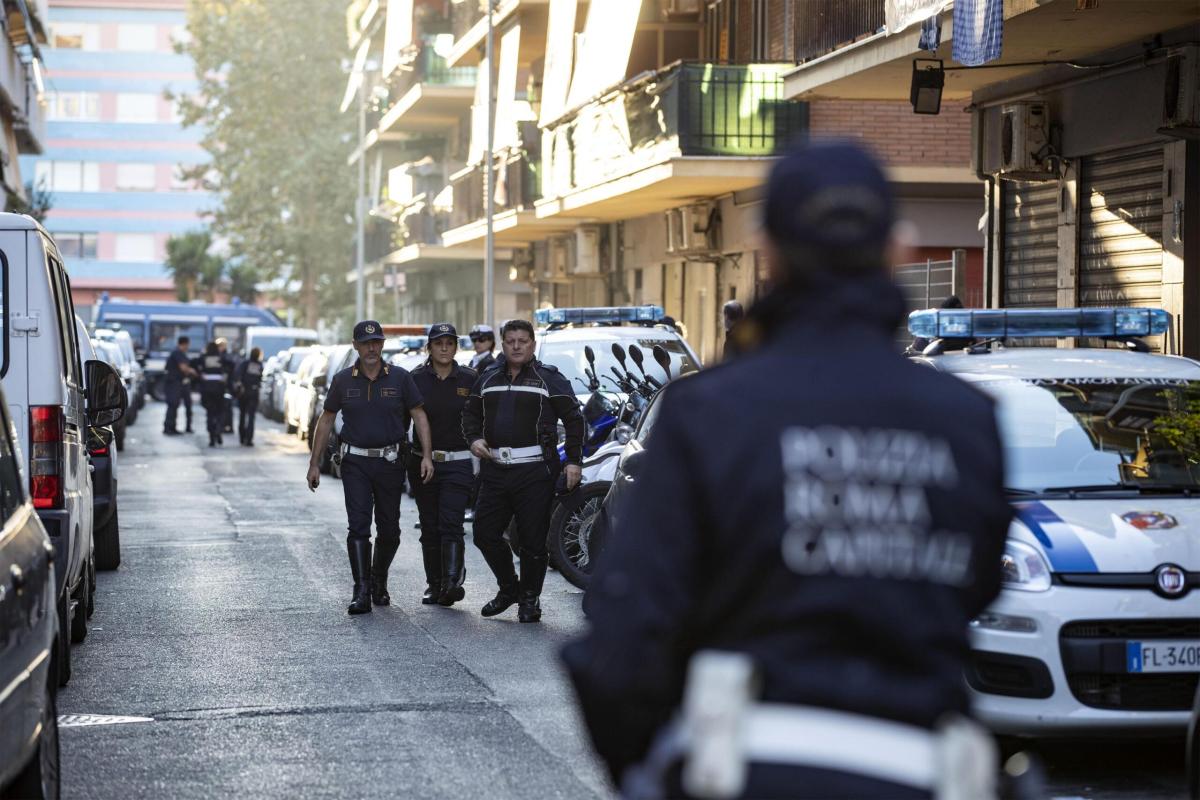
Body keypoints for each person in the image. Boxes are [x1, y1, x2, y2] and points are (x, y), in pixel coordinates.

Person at [562, 143, 1012, 799]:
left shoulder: (707, 412)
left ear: (766, 252)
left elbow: (620, 641)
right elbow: (976, 590)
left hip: (741, 773)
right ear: (897, 250)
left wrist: (649, 771)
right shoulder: (968, 420)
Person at [307, 320, 435, 615]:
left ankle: (379, 578)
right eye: (366, 343)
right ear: (356, 346)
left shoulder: (401, 378)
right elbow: (326, 420)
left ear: (382, 344)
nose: (372, 348)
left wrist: (426, 455)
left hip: (390, 462)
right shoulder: (342, 380)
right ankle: (361, 589)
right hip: (355, 463)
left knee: (390, 530)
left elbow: (420, 416)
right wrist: (314, 463)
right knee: (359, 527)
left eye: (376, 342)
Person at [462, 319, 586, 623]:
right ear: (502, 345)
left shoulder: (549, 379)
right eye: (511, 341)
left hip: (535, 472)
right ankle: (509, 589)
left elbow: (574, 420)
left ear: (532, 344)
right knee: (484, 533)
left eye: (523, 341)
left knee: (532, 541)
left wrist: (573, 461)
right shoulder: (488, 377)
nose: (516, 346)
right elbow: (469, 414)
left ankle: (529, 601)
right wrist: (474, 438)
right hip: (495, 470)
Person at [408, 323, 477, 606]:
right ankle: (434, 584)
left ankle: (451, 582)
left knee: (451, 522)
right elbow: (403, 419)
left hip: (458, 462)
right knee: (430, 525)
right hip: (422, 463)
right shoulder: (414, 379)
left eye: (450, 343)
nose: (445, 348)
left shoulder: (471, 378)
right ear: (429, 347)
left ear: (456, 347)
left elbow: (482, 416)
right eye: (439, 343)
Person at [197, 341, 230, 447]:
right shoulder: (221, 357)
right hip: (219, 387)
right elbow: (231, 365)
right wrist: (225, 377)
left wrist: (201, 375)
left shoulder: (204, 357)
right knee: (219, 411)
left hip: (207, 387)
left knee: (210, 413)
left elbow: (195, 364)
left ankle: (211, 437)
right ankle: (218, 431)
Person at [162, 335, 197, 435]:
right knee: (172, 405)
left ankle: (172, 428)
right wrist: (193, 371)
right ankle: (168, 428)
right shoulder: (178, 353)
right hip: (173, 383)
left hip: (177, 383)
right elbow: (183, 368)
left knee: (175, 405)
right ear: (185, 344)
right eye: (187, 345)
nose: (188, 347)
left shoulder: (179, 353)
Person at [233, 347, 264, 446]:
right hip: (254, 392)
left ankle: (242, 437)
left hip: (244, 392)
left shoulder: (245, 363)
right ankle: (249, 439)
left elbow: (238, 376)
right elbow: (260, 379)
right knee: (251, 417)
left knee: (242, 415)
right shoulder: (259, 365)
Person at [216, 337, 237, 434]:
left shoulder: (226, 357)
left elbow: (230, 370)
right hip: (221, 386)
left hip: (226, 386)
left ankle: (227, 426)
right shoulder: (221, 356)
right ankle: (224, 425)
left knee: (227, 406)